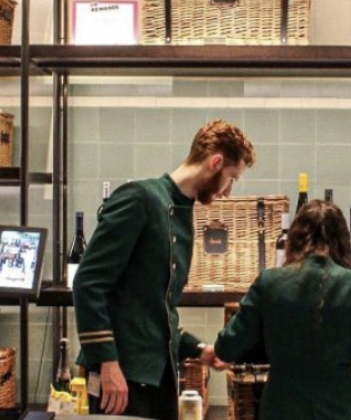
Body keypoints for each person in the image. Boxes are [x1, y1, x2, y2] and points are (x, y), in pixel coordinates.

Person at [72, 119, 256, 420]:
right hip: (121, 378)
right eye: (231, 179)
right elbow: (88, 283)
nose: (227, 192)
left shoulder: (181, 210)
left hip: (157, 379)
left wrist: (199, 349)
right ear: (215, 162)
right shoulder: (140, 199)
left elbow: (152, 311)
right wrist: (106, 362)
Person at [211, 199, 351, 420]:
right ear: (344, 243)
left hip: (281, 411)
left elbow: (226, 348)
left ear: (294, 239)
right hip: (340, 411)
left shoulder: (269, 283)